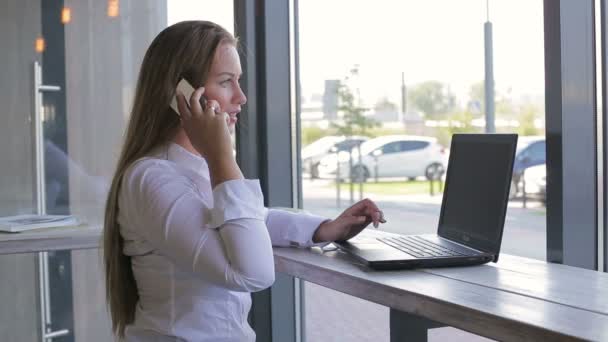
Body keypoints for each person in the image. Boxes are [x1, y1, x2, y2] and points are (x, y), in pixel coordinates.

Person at [103, 20, 385, 342]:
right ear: (181, 94)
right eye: (226, 82)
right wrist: (221, 156)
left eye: (238, 81)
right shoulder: (150, 178)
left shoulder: (191, 167)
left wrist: (323, 229)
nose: (241, 97)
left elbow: (246, 220)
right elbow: (253, 271)